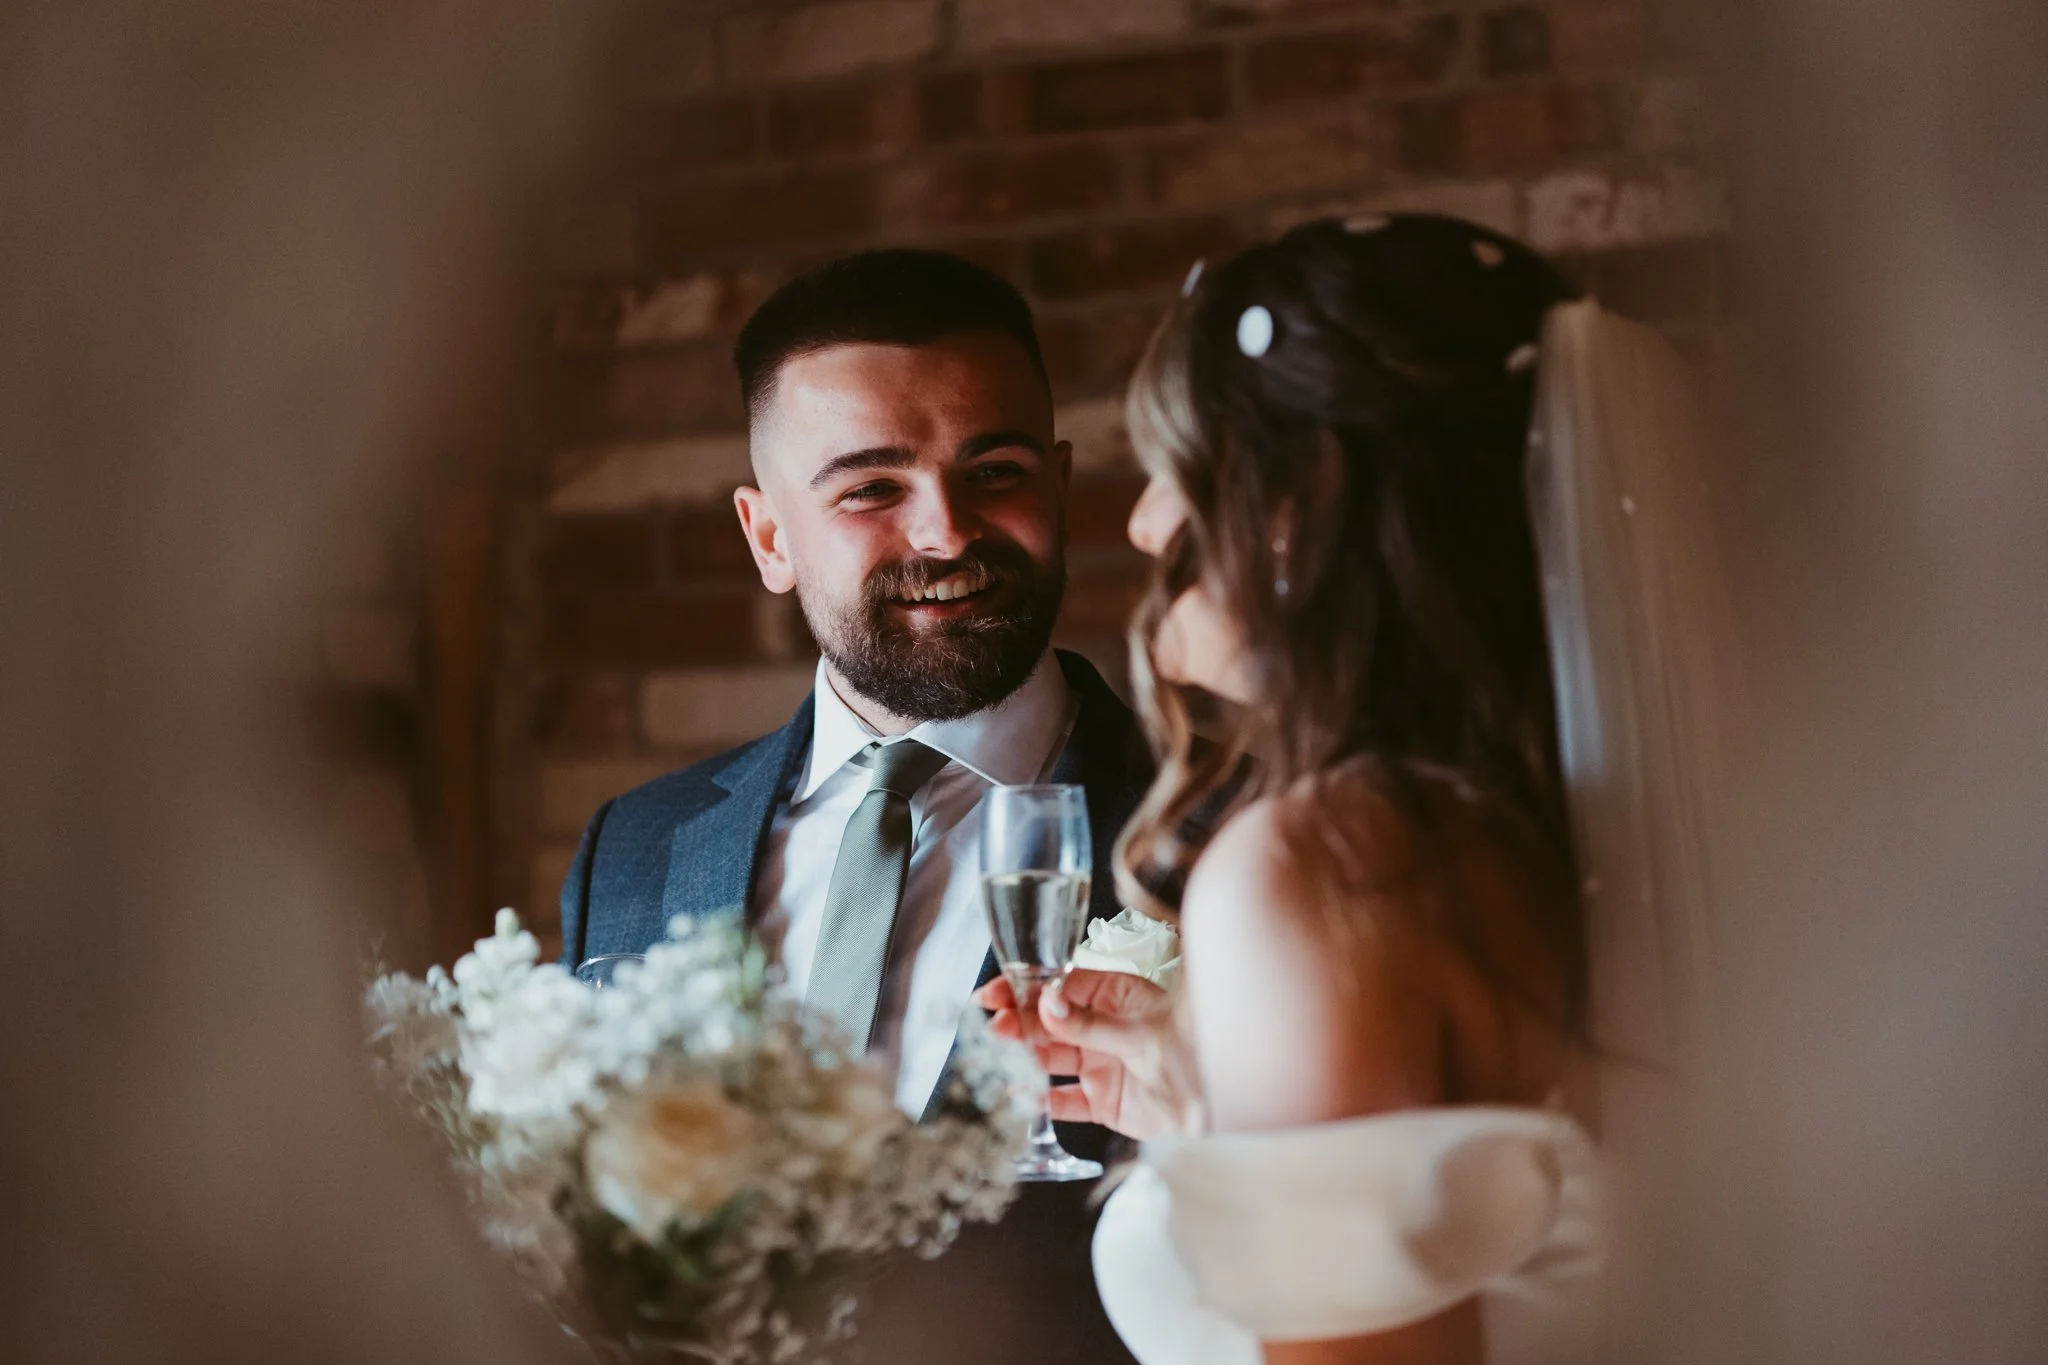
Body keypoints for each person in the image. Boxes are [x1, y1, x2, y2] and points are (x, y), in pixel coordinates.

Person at [981, 214, 1708, 1364]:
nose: (1141, 522)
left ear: (1294, 505)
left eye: (1178, 472)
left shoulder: (1314, 870)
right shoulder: (1511, 836)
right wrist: (1198, 1103)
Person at [557, 248, 1149, 1365]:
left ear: (1061, 484)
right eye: (872, 487)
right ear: (769, 536)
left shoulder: (1214, 827)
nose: (945, 532)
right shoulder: (631, 851)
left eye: (997, 470)